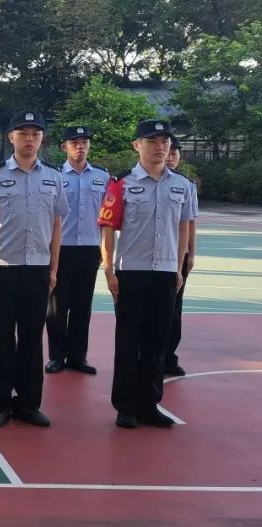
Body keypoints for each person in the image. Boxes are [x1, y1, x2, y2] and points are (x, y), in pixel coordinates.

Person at [0, 110, 67, 428]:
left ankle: (29, 403)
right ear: (11, 137)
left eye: (35, 134)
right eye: (23, 133)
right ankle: (1, 402)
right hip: (3, 267)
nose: (29, 139)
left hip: (38, 269)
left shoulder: (54, 177)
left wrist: (54, 268)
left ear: (42, 139)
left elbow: (57, 224)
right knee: (1, 337)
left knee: (31, 338)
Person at [99, 120, 192, 429]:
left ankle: (149, 404)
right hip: (131, 272)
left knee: (157, 341)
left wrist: (178, 267)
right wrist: (109, 270)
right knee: (129, 341)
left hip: (165, 272)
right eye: (152, 141)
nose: (160, 146)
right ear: (137, 145)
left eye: (165, 141)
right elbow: (107, 229)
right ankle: (125, 407)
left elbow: (183, 226)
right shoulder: (121, 183)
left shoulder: (181, 185)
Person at [45, 126, 107, 375]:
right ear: (64, 147)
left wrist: (105, 250)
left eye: (84, 142)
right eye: (74, 142)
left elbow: (107, 218)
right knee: (58, 306)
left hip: (90, 249)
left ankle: (78, 357)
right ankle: (56, 356)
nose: (80, 146)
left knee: (83, 306)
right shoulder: (55, 176)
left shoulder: (102, 177)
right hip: (61, 249)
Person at [164, 137, 197, 377]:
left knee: (174, 311)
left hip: (178, 256)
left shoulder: (186, 185)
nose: (171, 157)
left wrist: (191, 254)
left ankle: (169, 357)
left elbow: (190, 223)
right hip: (154, 256)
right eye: (169, 151)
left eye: (175, 153)